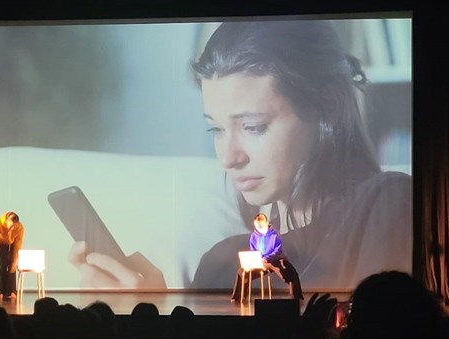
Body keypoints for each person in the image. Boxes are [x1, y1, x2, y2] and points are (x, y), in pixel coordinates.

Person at [69, 20, 411, 292]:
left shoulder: (387, 203)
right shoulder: (221, 264)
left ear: (327, 104)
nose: (229, 158)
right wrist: (150, 314)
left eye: (253, 127)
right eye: (216, 130)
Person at [230, 213, 303, 302]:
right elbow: (254, 251)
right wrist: (254, 261)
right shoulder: (254, 236)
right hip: (261, 261)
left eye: (261, 226)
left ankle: (296, 297)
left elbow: (278, 251)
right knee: (242, 272)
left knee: (289, 271)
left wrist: (266, 258)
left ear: (267, 223)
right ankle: (238, 297)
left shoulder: (275, 234)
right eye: (257, 226)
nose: (259, 228)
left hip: (276, 259)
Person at [0, 211, 24, 301]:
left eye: (15, 227)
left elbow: (18, 244)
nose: (12, 229)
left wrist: (16, 259)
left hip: (12, 244)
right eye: (11, 226)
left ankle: (12, 291)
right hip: (0, 243)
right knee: (3, 264)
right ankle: (2, 292)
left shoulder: (20, 227)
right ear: (7, 222)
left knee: (12, 265)